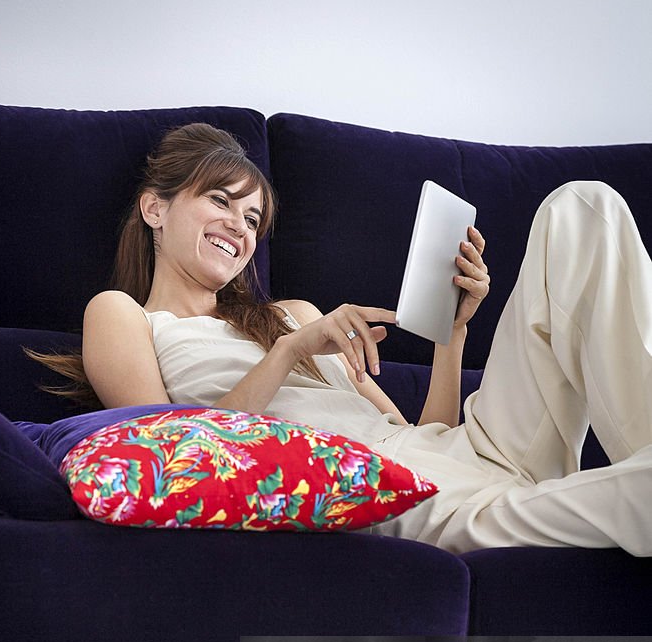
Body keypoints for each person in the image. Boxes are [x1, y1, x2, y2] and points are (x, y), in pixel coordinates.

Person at [37, 122, 652, 555]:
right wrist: (288, 353)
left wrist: (452, 332)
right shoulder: (123, 315)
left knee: (582, 208)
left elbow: (418, 431)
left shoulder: (296, 313)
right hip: (384, 495)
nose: (239, 227)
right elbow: (175, 453)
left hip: (464, 452)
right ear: (155, 209)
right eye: (220, 201)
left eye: (252, 219)